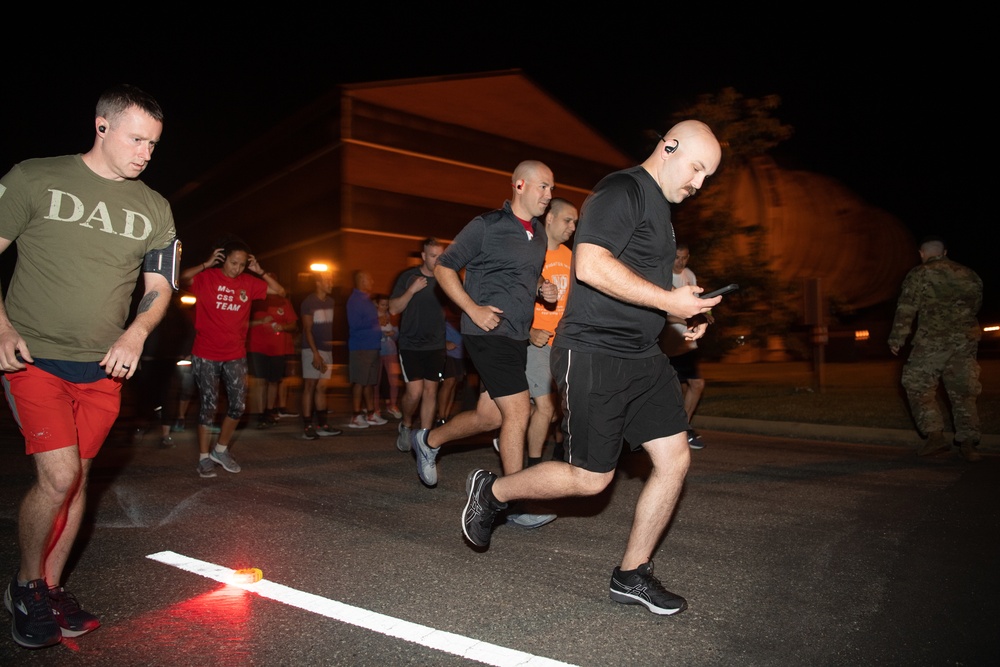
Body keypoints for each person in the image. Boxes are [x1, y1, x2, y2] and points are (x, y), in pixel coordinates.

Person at [461, 120, 724, 616]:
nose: (699, 183)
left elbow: (634, 284)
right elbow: (589, 265)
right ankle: (493, 491)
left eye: (707, 176)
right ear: (668, 147)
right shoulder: (621, 190)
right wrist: (670, 298)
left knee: (675, 460)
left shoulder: (663, 214)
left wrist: (677, 313)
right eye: (696, 168)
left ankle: (632, 574)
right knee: (591, 480)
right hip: (596, 353)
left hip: (644, 356)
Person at [0, 84, 178, 648]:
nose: (146, 153)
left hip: (103, 368)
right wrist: (1, 327)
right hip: (34, 356)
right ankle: (25, 586)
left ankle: (50, 588)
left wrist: (136, 331)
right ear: (101, 127)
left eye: (153, 144)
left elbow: (160, 285)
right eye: (136, 139)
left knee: (76, 481)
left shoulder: (154, 207)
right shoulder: (33, 177)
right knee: (56, 477)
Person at [415, 160, 559, 529]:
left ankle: (429, 440)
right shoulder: (487, 226)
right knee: (518, 412)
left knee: (490, 415)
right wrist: (472, 310)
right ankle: (514, 502)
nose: (549, 194)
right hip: (486, 331)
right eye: (543, 186)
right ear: (520, 185)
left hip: (516, 335)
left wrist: (543, 287)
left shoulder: (538, 233)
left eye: (552, 188)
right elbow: (445, 268)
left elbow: (523, 270)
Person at [181, 240, 286, 477]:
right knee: (208, 407)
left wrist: (260, 273)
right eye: (233, 262)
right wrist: (205, 264)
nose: (236, 268)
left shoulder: (249, 283)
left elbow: (280, 292)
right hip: (205, 353)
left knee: (238, 406)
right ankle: (203, 457)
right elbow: (181, 279)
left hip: (235, 355)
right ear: (223, 258)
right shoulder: (206, 278)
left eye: (241, 264)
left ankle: (220, 449)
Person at [889, 236, 984, 462]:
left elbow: (906, 308)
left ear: (922, 254)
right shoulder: (970, 274)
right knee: (963, 389)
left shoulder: (919, 274)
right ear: (945, 252)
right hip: (965, 340)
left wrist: (897, 338)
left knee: (916, 384)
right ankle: (969, 444)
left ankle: (935, 435)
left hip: (932, 341)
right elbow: (976, 305)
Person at [525, 198, 577, 467]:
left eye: (575, 222)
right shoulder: (531, 251)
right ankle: (532, 468)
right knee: (546, 408)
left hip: (563, 344)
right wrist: (530, 330)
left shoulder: (571, 257)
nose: (572, 226)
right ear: (549, 218)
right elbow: (511, 299)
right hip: (536, 344)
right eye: (568, 220)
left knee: (555, 412)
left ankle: (513, 431)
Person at [389, 238, 448, 452]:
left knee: (431, 391)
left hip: (435, 345)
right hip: (411, 344)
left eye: (440, 256)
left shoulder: (446, 278)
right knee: (414, 392)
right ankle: (406, 424)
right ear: (423, 256)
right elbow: (394, 308)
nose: (437, 260)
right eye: (433, 256)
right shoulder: (408, 277)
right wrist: (411, 290)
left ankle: (424, 439)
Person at [662, 243, 713, 450]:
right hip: (667, 345)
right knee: (677, 391)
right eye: (676, 257)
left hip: (687, 345)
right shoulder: (663, 276)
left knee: (696, 384)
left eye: (684, 257)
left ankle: (683, 429)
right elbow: (662, 313)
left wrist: (706, 315)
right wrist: (686, 320)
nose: (680, 262)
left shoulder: (689, 276)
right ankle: (675, 431)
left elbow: (696, 305)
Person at [299, 271, 341, 440]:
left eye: (331, 280)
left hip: (326, 350)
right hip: (311, 350)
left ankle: (322, 424)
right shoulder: (309, 302)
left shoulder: (331, 301)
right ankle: (308, 425)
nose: (331, 283)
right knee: (310, 386)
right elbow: (307, 329)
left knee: (322, 387)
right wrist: (315, 353)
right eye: (327, 281)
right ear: (318, 283)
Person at [247, 292, 298, 429]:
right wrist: (260, 322)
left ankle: (269, 412)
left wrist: (283, 327)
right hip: (257, 347)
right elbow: (242, 323)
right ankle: (260, 414)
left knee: (273, 381)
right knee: (260, 381)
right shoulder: (255, 301)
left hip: (277, 348)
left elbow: (293, 324)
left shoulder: (283, 302)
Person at [346, 270, 387, 429]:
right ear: (362, 280)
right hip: (361, 348)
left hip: (371, 347)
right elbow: (355, 324)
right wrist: (376, 321)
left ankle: (370, 414)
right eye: (369, 278)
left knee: (369, 382)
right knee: (359, 382)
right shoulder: (355, 300)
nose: (372, 281)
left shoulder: (366, 299)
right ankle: (356, 416)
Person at [435, 304, 466, 427]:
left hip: (460, 352)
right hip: (447, 353)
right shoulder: (443, 308)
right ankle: (440, 416)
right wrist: (444, 343)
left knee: (454, 384)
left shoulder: (463, 307)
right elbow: (433, 329)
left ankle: (445, 416)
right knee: (449, 382)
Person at [374, 294, 402, 419]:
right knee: (376, 381)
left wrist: (393, 333)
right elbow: (370, 333)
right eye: (382, 304)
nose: (384, 307)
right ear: (377, 304)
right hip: (377, 351)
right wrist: (383, 333)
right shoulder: (372, 317)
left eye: (386, 305)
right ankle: (375, 409)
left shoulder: (391, 316)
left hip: (391, 351)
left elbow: (397, 334)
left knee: (394, 381)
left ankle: (393, 405)